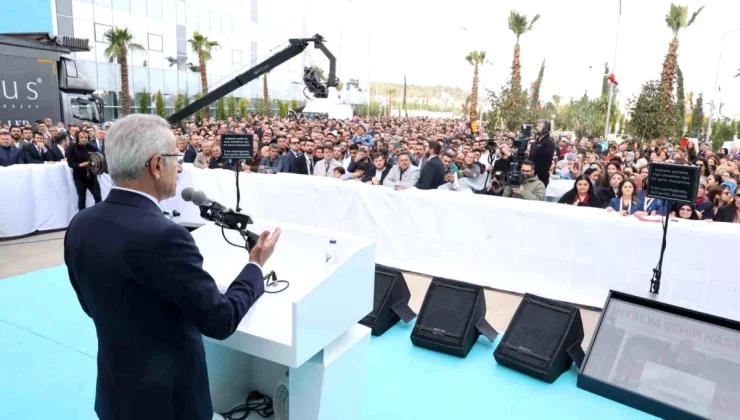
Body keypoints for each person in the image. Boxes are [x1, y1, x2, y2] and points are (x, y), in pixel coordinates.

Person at [64, 114, 282, 420]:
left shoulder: (80, 224)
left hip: (115, 396)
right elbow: (220, 320)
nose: (179, 168)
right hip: (168, 404)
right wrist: (255, 265)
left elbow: (91, 306)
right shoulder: (166, 236)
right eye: (176, 159)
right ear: (156, 165)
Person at [66, 130, 102, 210]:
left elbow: (100, 156)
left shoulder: (92, 147)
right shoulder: (72, 148)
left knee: (98, 197)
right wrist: (80, 165)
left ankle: (99, 213)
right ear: (77, 138)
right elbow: (70, 163)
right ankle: (82, 214)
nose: (84, 139)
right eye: (82, 137)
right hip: (79, 177)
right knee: (82, 198)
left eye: (86, 137)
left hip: (91, 176)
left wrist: (95, 163)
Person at [528, 119, 556, 187]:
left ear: (545, 128)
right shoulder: (535, 142)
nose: (536, 128)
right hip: (531, 176)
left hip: (540, 178)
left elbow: (542, 161)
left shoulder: (549, 142)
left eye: (539, 126)